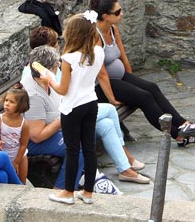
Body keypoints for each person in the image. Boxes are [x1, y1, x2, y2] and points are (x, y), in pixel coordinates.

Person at [89, 0, 195, 146]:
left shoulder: (113, 29)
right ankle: (178, 135)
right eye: (118, 12)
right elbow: (101, 73)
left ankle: (183, 124)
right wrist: (112, 99)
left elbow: (123, 57)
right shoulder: (94, 36)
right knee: (144, 97)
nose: (122, 14)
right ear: (106, 16)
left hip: (119, 78)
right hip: (102, 86)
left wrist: (131, 79)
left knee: (152, 87)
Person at [23, 46, 149, 187]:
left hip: (63, 123)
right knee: (79, 145)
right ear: (45, 69)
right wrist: (62, 120)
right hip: (40, 140)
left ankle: (124, 169)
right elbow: (36, 136)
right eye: (56, 65)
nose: (58, 68)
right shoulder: (34, 95)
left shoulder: (47, 80)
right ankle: (61, 188)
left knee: (105, 124)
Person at [41, 12, 110, 205]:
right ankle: (88, 192)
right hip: (91, 103)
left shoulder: (69, 58)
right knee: (89, 148)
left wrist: (49, 79)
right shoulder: (98, 53)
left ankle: (68, 192)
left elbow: (63, 90)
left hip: (72, 107)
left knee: (72, 150)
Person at [0, 88, 30, 185]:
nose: (7, 103)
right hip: (3, 155)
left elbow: (24, 145)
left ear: (20, 106)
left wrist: (16, 162)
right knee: (6, 181)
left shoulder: (24, 124)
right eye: (6, 100)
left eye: (12, 102)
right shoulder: (0, 119)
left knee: (22, 182)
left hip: (20, 157)